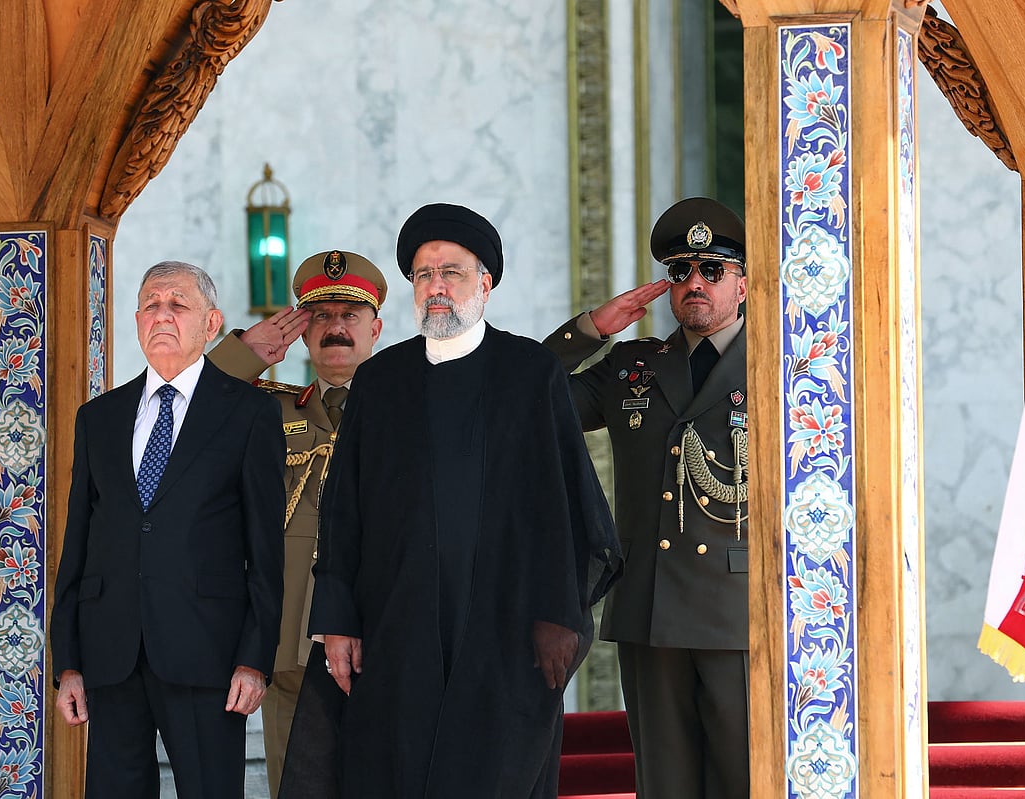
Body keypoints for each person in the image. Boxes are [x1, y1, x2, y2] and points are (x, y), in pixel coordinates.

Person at [306, 203, 622, 798]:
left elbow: (563, 505)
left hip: (505, 626)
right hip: (397, 622)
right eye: (424, 275)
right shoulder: (380, 381)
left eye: (451, 272)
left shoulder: (530, 372)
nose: (436, 287)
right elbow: (343, 511)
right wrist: (337, 619)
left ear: (486, 282)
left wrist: (560, 616)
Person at [50, 261, 285, 799]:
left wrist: (255, 659)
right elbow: (79, 544)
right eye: (151, 305)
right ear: (135, 321)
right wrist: (68, 663)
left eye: (178, 304)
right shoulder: (99, 417)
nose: (162, 315)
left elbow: (266, 551)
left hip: (209, 656)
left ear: (211, 322)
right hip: (111, 655)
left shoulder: (249, 413)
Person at [542, 197, 751, 799]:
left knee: (743, 777)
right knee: (664, 783)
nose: (694, 285)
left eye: (712, 271)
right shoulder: (632, 366)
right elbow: (529, 397)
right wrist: (592, 331)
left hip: (737, 606)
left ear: (742, 283)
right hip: (650, 603)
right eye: (681, 272)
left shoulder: (785, 364)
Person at [208, 249, 387, 798]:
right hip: (289, 631)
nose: (336, 327)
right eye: (322, 316)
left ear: (375, 329)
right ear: (304, 333)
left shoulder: (408, 410)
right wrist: (244, 356)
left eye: (349, 316)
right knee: (294, 780)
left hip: (382, 621)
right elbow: (187, 414)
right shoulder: (265, 409)